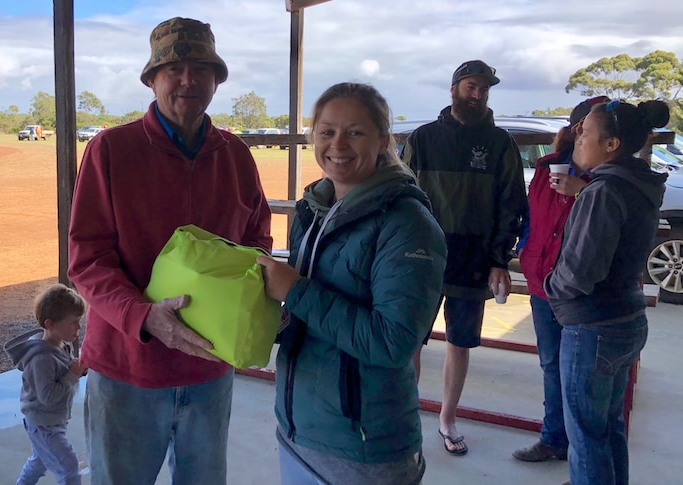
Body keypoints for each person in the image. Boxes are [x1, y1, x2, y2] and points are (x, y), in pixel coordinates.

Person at [67, 17, 272, 484]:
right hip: (127, 369)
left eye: (201, 68)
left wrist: (250, 291)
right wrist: (144, 317)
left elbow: (258, 238)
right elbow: (87, 258)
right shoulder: (110, 151)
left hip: (210, 369)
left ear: (216, 81)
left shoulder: (236, 155)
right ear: (152, 78)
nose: (188, 79)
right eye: (174, 68)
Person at [256, 82, 447, 485]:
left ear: (383, 140)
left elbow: (393, 342)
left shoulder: (407, 223)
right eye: (326, 131)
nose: (338, 144)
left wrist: (294, 291)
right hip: (300, 428)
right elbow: (308, 316)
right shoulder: (315, 208)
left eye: (355, 132)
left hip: (364, 447)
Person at [402, 59, 528, 455]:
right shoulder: (422, 138)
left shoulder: (500, 143)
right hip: (421, 258)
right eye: (471, 86)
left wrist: (498, 259)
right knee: (411, 343)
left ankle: (447, 418)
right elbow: (402, 198)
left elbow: (512, 204)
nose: (478, 94)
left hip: (474, 262)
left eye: (484, 89)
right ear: (454, 88)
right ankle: (405, 416)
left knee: (460, 342)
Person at [546, 99, 669, 485]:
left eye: (584, 132)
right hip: (626, 318)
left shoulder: (603, 190)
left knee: (586, 437)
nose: (577, 138)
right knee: (608, 426)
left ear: (611, 144)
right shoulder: (639, 183)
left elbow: (581, 271)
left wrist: (552, 287)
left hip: (593, 327)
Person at [511, 96, 608, 463]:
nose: (585, 134)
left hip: (580, 290)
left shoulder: (605, 179)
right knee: (551, 364)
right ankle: (554, 439)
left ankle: (586, 456)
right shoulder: (547, 165)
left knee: (583, 375)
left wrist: (581, 190)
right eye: (582, 127)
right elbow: (531, 218)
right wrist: (524, 249)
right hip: (542, 282)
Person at [4, 284, 88, 485]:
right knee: (69, 469)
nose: (79, 327)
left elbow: (65, 370)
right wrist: (72, 375)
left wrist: (79, 369)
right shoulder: (41, 359)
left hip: (50, 420)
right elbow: (48, 396)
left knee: (39, 462)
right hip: (44, 424)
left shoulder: (60, 345)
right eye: (73, 322)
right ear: (50, 324)